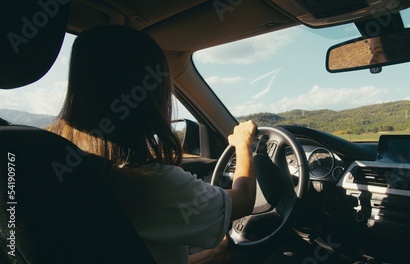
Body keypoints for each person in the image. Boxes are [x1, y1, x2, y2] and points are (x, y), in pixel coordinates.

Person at [47, 25, 256, 263]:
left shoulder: (53, 160)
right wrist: (243, 144)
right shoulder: (148, 184)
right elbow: (245, 198)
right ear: (149, 97)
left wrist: (215, 253)